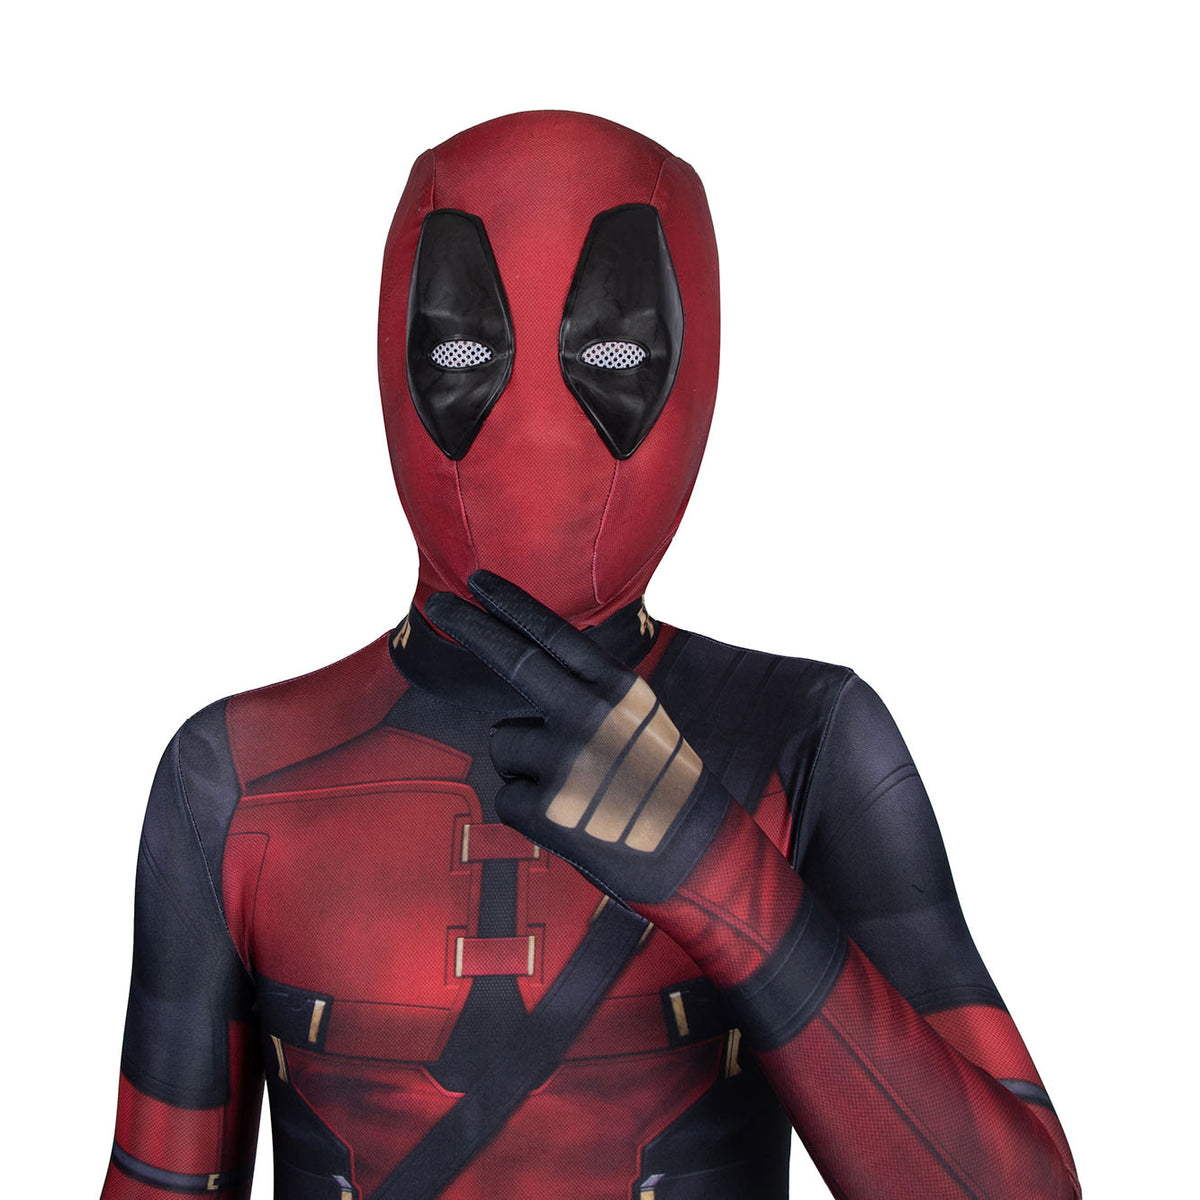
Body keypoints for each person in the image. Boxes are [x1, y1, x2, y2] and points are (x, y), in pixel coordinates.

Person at [100, 110, 1080, 1199]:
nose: (534, 415)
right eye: (466, 349)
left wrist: (722, 876)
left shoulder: (805, 741)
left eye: (609, 352)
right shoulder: (229, 777)